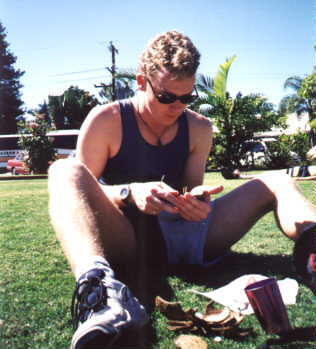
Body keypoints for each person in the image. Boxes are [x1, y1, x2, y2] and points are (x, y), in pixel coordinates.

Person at [48, 30, 316, 349]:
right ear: (141, 81)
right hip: (132, 238)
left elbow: (192, 186)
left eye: (186, 97)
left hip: (187, 235)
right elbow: (80, 197)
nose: (177, 106)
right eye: (166, 97)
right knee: (65, 170)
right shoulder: (107, 120)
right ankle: (99, 295)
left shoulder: (200, 127)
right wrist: (129, 193)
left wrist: (197, 201)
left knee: (278, 180)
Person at [233, 164, 316, 181]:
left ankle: (242, 176)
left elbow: (313, 178)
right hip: (300, 170)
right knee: (269, 174)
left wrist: (299, 179)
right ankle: (242, 176)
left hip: (300, 173)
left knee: (268, 175)